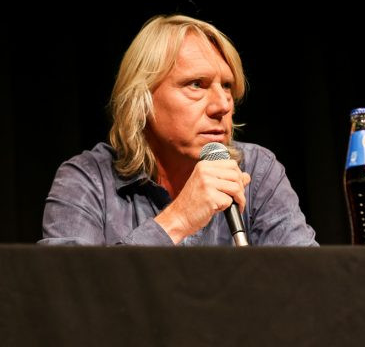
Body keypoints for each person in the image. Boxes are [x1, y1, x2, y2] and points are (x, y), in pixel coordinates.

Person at [39, 14, 317, 246]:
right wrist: (179, 219)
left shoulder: (256, 170)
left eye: (227, 87)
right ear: (142, 99)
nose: (222, 105)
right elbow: (68, 293)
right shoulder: (87, 180)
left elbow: (310, 283)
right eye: (196, 84)